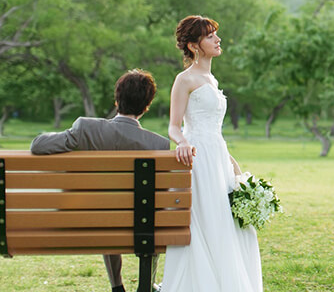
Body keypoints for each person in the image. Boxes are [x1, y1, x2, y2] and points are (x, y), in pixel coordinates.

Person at [31, 69, 169, 292]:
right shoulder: (158, 145)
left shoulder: (86, 129)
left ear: (117, 100)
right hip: (141, 224)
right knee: (145, 217)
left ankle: (117, 286)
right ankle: (145, 284)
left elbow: (37, 145)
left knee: (108, 210)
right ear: (146, 106)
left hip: (93, 219)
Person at [160, 15, 263, 292]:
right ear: (194, 46)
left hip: (218, 156)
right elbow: (174, 125)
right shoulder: (185, 79)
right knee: (206, 220)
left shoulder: (212, 79)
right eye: (210, 36)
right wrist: (182, 142)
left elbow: (214, 130)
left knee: (229, 223)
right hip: (198, 157)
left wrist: (233, 164)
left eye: (216, 34)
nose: (218, 40)